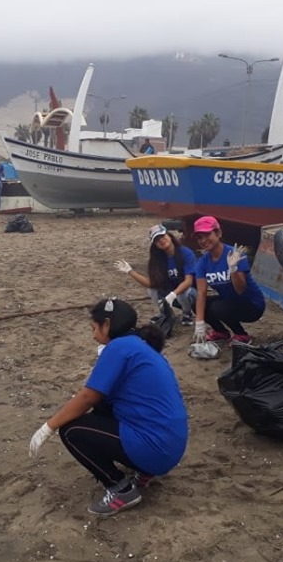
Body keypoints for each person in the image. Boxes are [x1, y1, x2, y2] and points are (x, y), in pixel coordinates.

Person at [28, 298, 188, 517]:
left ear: (107, 324)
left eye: (94, 328)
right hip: (170, 445)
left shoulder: (120, 347)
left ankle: (120, 489)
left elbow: (88, 397)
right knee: (102, 408)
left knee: (71, 430)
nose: (94, 335)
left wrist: (48, 427)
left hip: (155, 448)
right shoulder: (141, 346)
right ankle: (145, 471)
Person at [192, 215, 265, 345]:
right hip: (230, 301)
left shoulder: (235, 255)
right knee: (197, 304)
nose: (203, 240)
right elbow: (201, 292)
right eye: (199, 237)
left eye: (207, 235)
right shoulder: (202, 262)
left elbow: (240, 289)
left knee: (217, 307)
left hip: (252, 305)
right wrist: (199, 323)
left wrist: (233, 269)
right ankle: (221, 332)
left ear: (218, 233)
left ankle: (241, 335)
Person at [114, 224, 197, 324]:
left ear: (169, 235)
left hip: (190, 294)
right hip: (171, 294)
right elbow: (151, 284)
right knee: (152, 290)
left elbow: (188, 281)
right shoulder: (157, 259)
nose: (161, 240)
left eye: (162, 236)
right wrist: (130, 271)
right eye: (157, 240)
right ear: (155, 245)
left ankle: (187, 313)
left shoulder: (186, 253)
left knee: (183, 293)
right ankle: (164, 313)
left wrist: (173, 294)